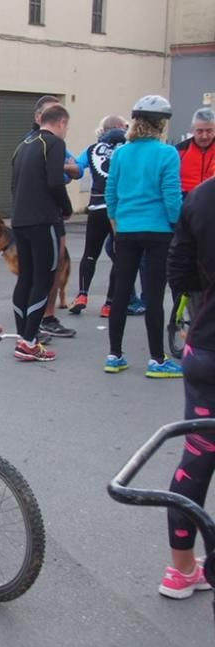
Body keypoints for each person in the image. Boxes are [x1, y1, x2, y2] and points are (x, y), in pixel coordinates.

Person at [161, 177, 215, 598]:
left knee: (197, 457)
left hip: (207, 347)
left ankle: (180, 568)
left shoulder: (202, 196)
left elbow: (177, 268)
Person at [103, 95, 182, 377]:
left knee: (121, 293)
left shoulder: (122, 153)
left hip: (126, 230)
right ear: (160, 124)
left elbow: (111, 194)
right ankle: (156, 360)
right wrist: (179, 226)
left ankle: (114, 356)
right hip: (159, 231)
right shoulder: (167, 154)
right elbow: (171, 197)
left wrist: (116, 224)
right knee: (154, 294)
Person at [9, 103, 73, 361]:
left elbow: (14, 184)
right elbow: (55, 180)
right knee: (43, 279)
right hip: (43, 221)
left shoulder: (23, 144)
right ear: (60, 123)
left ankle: (23, 336)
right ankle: (29, 341)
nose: (65, 131)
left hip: (20, 220)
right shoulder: (53, 144)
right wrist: (65, 208)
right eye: (66, 126)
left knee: (25, 277)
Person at [24, 96, 81, 339]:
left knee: (51, 268)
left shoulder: (42, 144)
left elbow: (76, 168)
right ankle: (33, 328)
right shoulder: (39, 142)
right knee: (41, 272)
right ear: (40, 118)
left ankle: (37, 324)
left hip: (36, 216)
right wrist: (66, 207)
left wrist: (67, 169)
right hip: (42, 216)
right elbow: (55, 178)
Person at [70, 114, 128, 316]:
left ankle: (82, 294)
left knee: (90, 253)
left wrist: (62, 166)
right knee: (119, 256)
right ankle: (109, 304)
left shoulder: (92, 149)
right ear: (119, 128)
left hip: (96, 207)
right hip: (119, 209)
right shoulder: (128, 150)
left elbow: (77, 168)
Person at [175, 107, 215, 198]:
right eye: (200, 131)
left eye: (209, 131)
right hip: (187, 203)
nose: (204, 136)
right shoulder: (179, 151)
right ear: (192, 130)